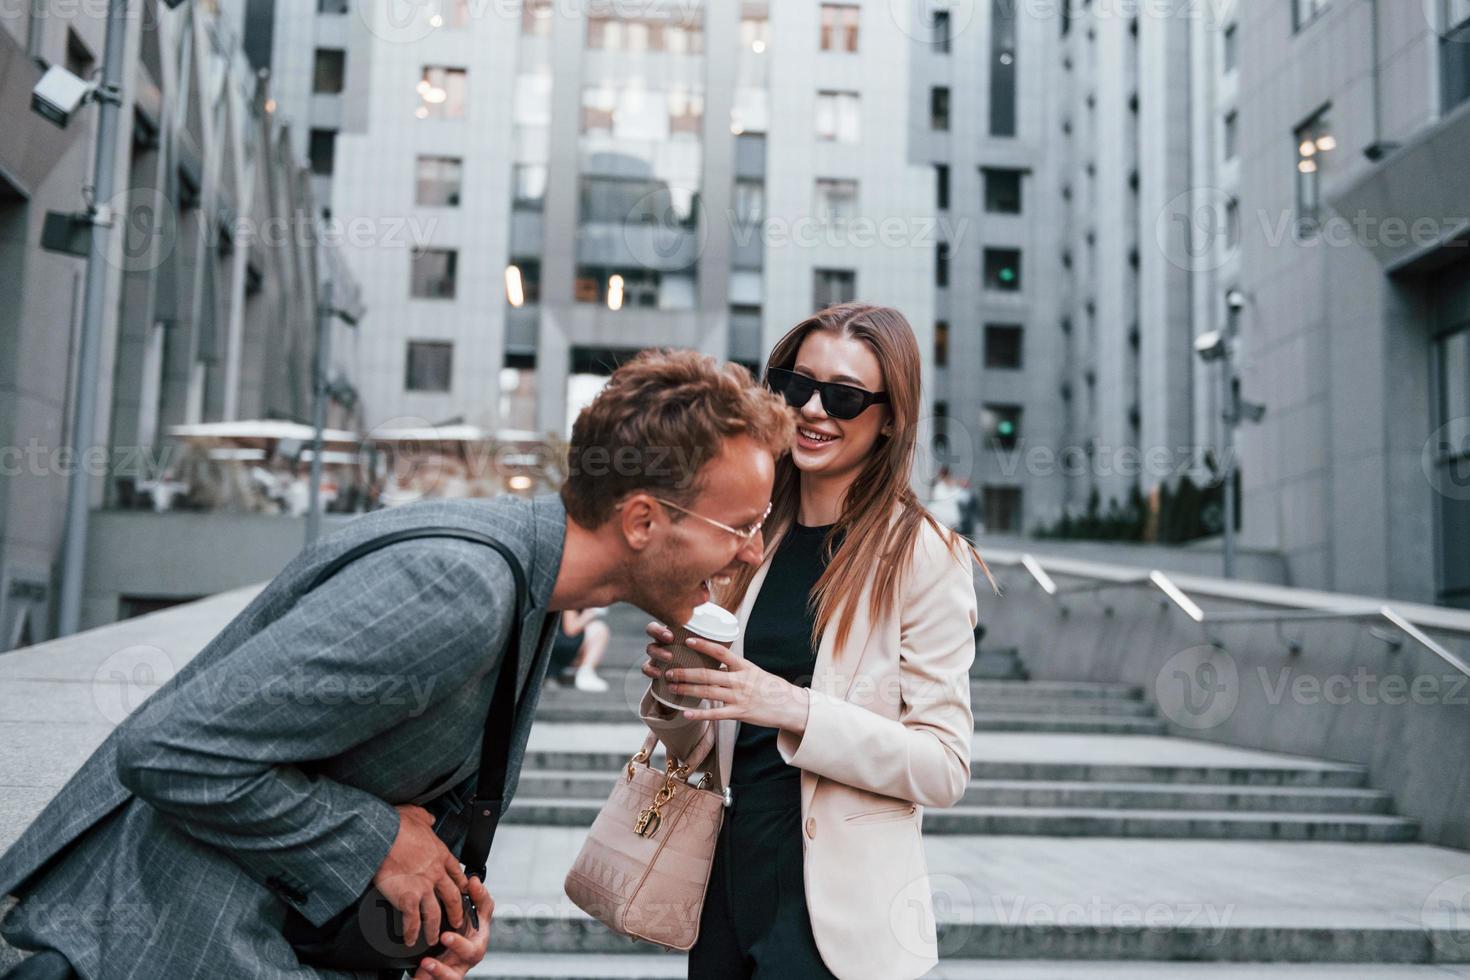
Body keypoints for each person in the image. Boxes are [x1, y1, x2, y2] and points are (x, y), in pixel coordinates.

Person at [0, 349, 794, 980]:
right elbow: (170, 750)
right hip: (146, 948)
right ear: (644, 520)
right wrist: (379, 839)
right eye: (739, 526)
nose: (752, 552)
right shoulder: (460, 587)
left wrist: (420, 925)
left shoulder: (525, 585)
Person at [639, 304, 999, 980]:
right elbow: (703, 741)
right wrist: (678, 681)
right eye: (794, 384)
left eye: (843, 396)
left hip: (837, 914)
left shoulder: (922, 555)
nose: (811, 409)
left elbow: (943, 765)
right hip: (721, 884)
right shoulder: (750, 535)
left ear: (890, 416)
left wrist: (793, 707)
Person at [548, 607, 611, 692]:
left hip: (557, 645)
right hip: (556, 646)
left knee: (597, 628)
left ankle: (584, 672)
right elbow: (570, 629)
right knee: (599, 629)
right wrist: (590, 613)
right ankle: (585, 673)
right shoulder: (571, 601)